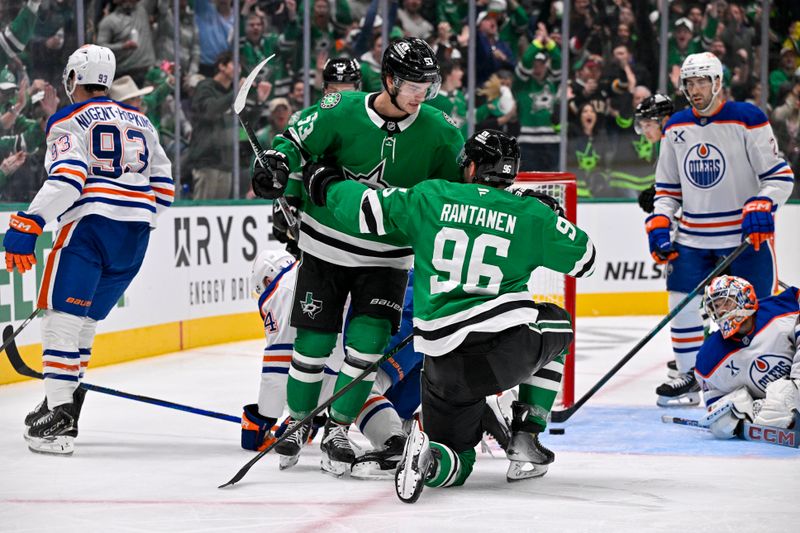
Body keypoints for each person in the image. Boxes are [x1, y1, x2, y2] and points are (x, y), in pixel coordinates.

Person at [301, 129, 596, 502]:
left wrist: (324, 183)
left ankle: (429, 458)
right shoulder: (530, 213)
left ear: (471, 166)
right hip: (503, 349)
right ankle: (527, 434)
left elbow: (366, 208)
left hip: (441, 363)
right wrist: (549, 214)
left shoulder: (431, 196)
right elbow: (585, 259)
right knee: (558, 322)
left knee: (459, 458)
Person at [250, 37, 464, 477]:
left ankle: (338, 429)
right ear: (389, 80)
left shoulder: (441, 132)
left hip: (389, 259)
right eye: (413, 86)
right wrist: (275, 165)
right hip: (324, 248)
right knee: (311, 346)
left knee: (366, 349)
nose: (421, 96)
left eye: (428, 87)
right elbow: (291, 143)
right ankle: (298, 420)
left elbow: (455, 194)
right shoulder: (340, 111)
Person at [3, 44, 174, 455]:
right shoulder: (141, 121)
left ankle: (58, 416)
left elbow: (68, 177)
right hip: (135, 236)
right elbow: (164, 189)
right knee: (83, 322)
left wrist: (30, 223)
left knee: (62, 316)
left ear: (74, 78)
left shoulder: (67, 119)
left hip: (90, 230)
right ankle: (64, 402)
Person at [646, 52, 795, 407]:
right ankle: (690, 376)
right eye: (688, 83)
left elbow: (779, 176)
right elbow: (667, 189)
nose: (694, 90)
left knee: (760, 312)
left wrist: (763, 203)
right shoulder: (675, 127)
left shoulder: (747, 118)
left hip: (743, 238)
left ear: (717, 83)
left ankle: (772, 378)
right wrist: (660, 221)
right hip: (694, 237)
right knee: (680, 302)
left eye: (701, 82)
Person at [694, 276, 800, 439]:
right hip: (779, 404)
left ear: (746, 298)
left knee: (784, 392)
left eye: (726, 302)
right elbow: (715, 404)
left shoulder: (782, 308)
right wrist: (738, 414)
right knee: (771, 409)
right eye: (715, 306)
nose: (721, 310)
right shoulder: (709, 359)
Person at [633, 93, 675, 214]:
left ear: (665, 121)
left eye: (648, 125)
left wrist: (659, 192)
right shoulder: (661, 141)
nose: (645, 132)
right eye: (641, 126)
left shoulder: (680, 143)